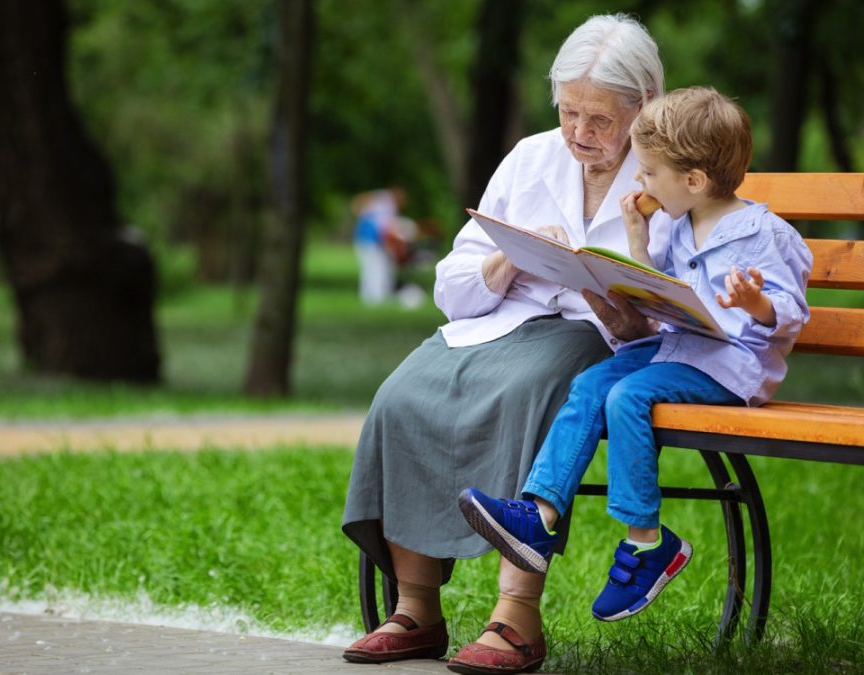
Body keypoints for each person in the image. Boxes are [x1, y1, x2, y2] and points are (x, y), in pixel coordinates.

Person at [342, 14, 673, 674]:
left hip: (593, 339)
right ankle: (415, 607)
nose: (579, 133)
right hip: (498, 323)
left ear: (645, 104)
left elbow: (680, 312)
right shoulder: (530, 157)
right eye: (569, 112)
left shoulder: (670, 175)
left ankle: (516, 615)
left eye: (599, 120)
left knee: (533, 390)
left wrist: (613, 302)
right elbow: (453, 285)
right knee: (402, 395)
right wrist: (511, 259)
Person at [458, 87, 812, 624]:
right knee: (591, 384)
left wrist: (755, 303)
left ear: (694, 181)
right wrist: (636, 242)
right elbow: (663, 291)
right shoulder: (682, 222)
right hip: (677, 349)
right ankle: (539, 514)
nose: (640, 182)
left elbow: (790, 313)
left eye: (648, 173)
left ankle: (647, 541)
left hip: (730, 367)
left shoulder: (765, 235)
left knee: (627, 396)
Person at [352, 187, 409, 305]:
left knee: (374, 269)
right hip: (369, 240)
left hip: (371, 240)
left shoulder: (385, 203)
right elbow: (383, 227)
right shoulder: (385, 201)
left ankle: (373, 296)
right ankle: (375, 298)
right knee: (374, 269)